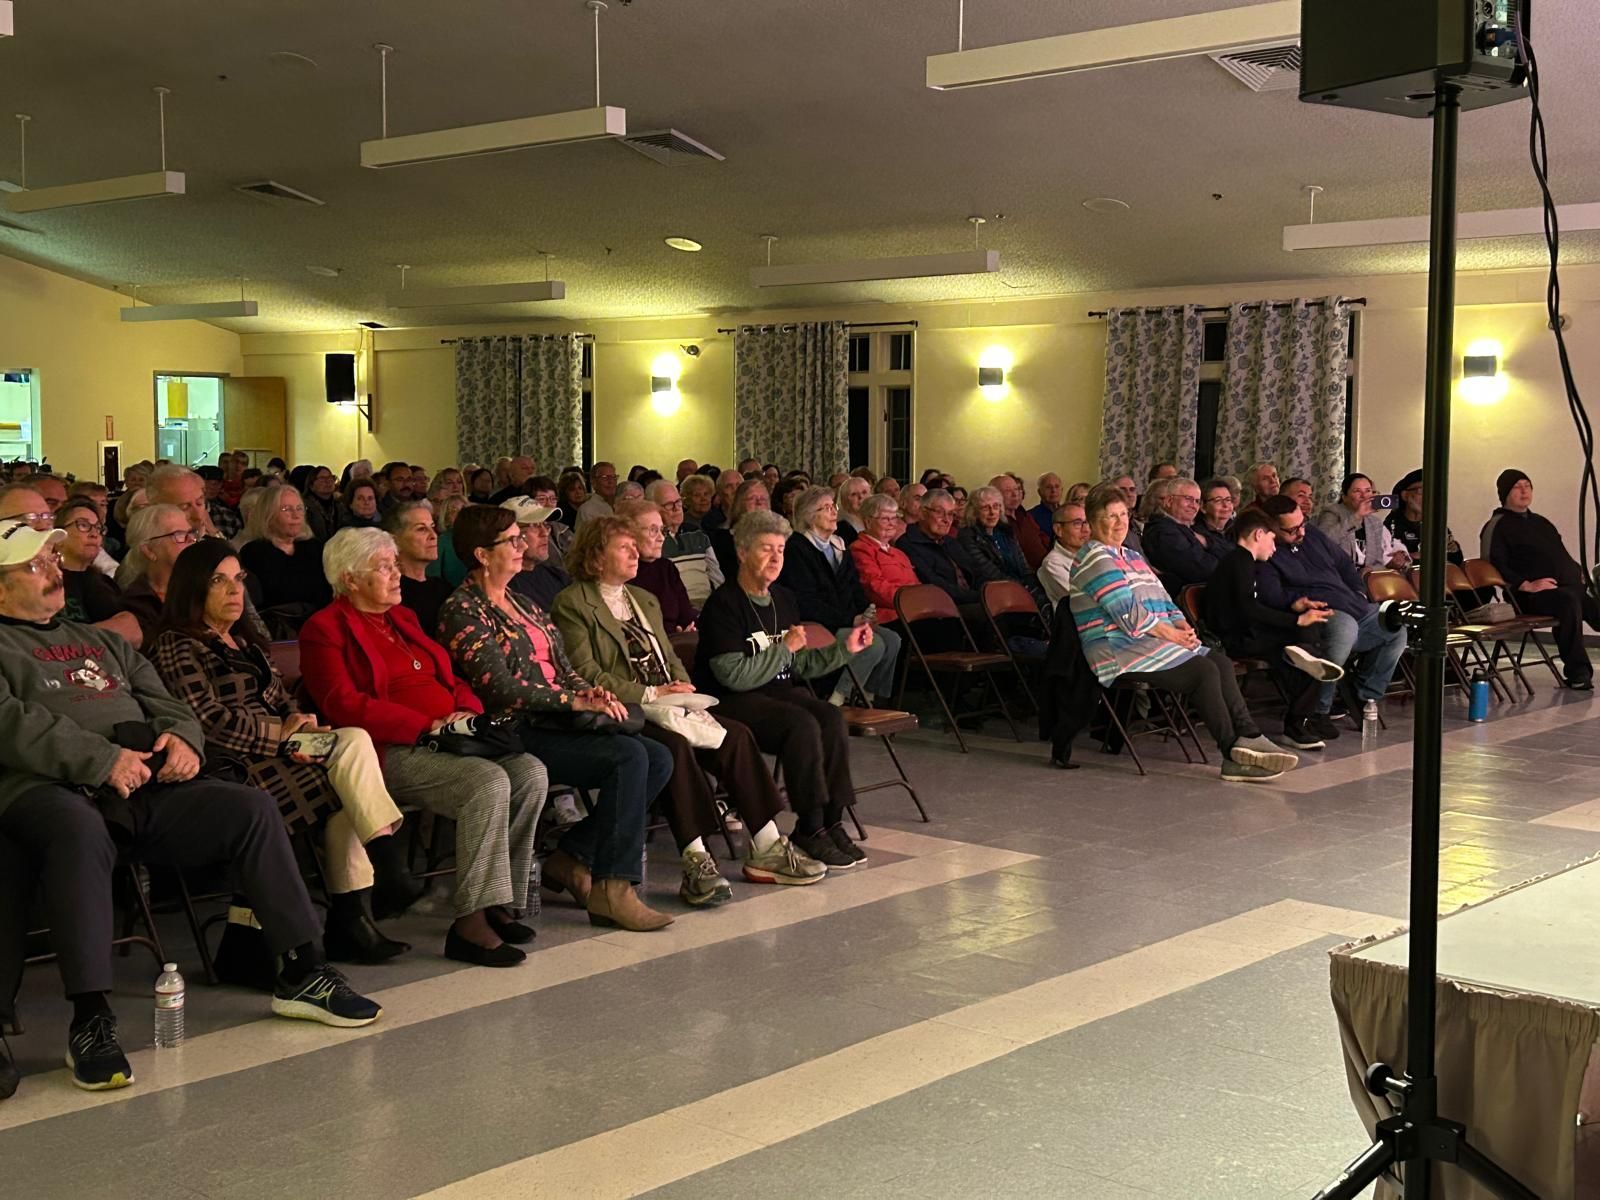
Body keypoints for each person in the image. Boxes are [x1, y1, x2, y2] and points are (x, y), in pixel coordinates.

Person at [0, 523, 380, 1094]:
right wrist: (101, 759)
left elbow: (170, 704)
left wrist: (183, 741)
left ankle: (302, 971)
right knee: (79, 831)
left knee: (249, 809)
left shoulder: (101, 642)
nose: (54, 569)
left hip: (146, 783)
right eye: (35, 565)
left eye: (53, 558)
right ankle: (91, 1019)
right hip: (50, 789)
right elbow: (12, 725)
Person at [150, 539, 413, 963]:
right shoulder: (177, 643)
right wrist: (283, 735)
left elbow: (283, 700)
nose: (235, 590)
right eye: (219, 581)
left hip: (282, 749)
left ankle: (357, 911)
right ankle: (371, 888)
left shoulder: (245, 641)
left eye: (239, 579)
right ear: (193, 587)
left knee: (353, 752)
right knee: (349, 773)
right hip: (232, 763)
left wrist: (300, 721)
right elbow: (206, 721)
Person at [299, 528, 550, 967]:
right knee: (486, 782)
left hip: (451, 738)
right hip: (390, 751)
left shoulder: (403, 618)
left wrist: (466, 712)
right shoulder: (324, 628)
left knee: (530, 772)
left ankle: (498, 902)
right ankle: (470, 924)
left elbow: (450, 679)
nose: (397, 573)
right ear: (350, 578)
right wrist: (426, 725)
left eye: (395, 564)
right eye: (384, 566)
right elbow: (342, 703)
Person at [551, 517, 827, 897]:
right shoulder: (572, 603)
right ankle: (696, 857)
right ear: (597, 557)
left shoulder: (643, 599)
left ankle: (767, 845)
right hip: (623, 708)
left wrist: (682, 687)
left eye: (635, 546)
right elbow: (587, 674)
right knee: (674, 747)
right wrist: (652, 694)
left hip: (667, 701)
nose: (635, 553)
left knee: (735, 736)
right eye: (624, 547)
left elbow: (669, 657)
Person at [438, 506, 675, 931]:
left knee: (658, 757)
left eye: (520, 537)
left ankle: (572, 856)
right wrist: (572, 701)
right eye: (512, 540)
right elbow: (499, 688)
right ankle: (614, 888)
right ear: (482, 554)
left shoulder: (524, 603)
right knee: (629, 757)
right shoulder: (463, 610)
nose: (522, 545)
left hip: (559, 719)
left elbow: (564, 668)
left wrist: (590, 692)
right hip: (516, 727)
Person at [1067, 485, 1299, 783]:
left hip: (1151, 641)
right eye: (1110, 516)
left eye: (1123, 514)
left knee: (1220, 662)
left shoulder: (1132, 556)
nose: (1120, 522)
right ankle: (1232, 754)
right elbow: (1130, 616)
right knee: (1203, 671)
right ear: (1092, 521)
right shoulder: (1096, 558)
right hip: (1117, 648)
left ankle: (1249, 735)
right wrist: (1172, 636)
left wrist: (1182, 626)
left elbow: (1163, 600)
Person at [694, 510, 876, 869]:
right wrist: (784, 649)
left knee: (829, 717)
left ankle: (832, 821)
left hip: (776, 694)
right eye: (766, 549)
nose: (776, 558)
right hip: (731, 700)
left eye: (780, 549)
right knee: (801, 724)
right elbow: (733, 676)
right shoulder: (724, 604)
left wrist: (845, 649)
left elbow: (798, 664)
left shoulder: (784, 598)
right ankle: (809, 826)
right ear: (742, 552)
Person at [1201, 509, 1345, 750]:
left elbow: (1252, 605)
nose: (1275, 548)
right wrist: (1295, 621)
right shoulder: (1239, 561)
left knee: (1309, 644)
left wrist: (1294, 608)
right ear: (1259, 534)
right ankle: (1297, 720)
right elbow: (1247, 608)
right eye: (1272, 539)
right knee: (1308, 646)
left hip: (1248, 633)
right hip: (1237, 639)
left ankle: (1304, 657)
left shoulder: (1242, 561)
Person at [1258, 495, 1409, 724]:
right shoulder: (1266, 550)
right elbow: (1270, 594)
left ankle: (1364, 697)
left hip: (1351, 602)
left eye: (1302, 523)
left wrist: (1358, 590)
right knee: (1344, 629)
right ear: (1271, 528)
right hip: (1317, 612)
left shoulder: (1311, 534)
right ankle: (1318, 709)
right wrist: (1298, 601)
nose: (1301, 533)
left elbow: (1343, 563)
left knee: (1394, 625)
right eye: (1292, 530)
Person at [781, 486, 903, 704]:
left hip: (847, 620)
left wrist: (866, 612)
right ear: (809, 516)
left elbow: (854, 587)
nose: (833, 512)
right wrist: (850, 620)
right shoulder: (797, 548)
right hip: (819, 623)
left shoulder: (838, 545)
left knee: (893, 640)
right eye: (826, 508)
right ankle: (839, 698)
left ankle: (869, 696)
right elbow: (806, 601)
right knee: (873, 644)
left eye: (833, 506)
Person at [1482, 469, 1600, 689]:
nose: (1524, 491)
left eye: (1527, 485)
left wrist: (1577, 572)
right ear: (1505, 493)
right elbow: (1492, 564)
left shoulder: (1541, 523)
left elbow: (1559, 554)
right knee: (1567, 603)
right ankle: (1578, 672)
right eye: (1517, 487)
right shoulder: (1498, 525)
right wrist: (1526, 585)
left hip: (1565, 589)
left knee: (1592, 603)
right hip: (1529, 597)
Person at [238, 483, 333, 633]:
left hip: (320, 626)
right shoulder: (253, 552)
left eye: (299, 508)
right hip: (278, 630)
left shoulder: (315, 548)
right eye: (286, 509)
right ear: (268, 514)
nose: (296, 515)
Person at [51, 499, 140, 642]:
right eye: (83, 525)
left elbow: (132, 633)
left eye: (98, 528)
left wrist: (71, 638)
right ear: (58, 537)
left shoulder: (101, 581)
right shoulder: (43, 581)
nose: (94, 534)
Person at [115, 504, 202, 641]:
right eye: (179, 535)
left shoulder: (204, 584)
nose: (191, 540)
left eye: (190, 532)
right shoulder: (136, 605)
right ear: (149, 550)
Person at [616, 499, 696, 633]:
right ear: (629, 534)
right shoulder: (620, 573)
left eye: (662, 530)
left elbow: (687, 616)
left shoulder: (667, 568)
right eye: (653, 530)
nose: (661, 538)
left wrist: (687, 631)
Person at [1142, 476, 1233, 594]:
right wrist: (1232, 566)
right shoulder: (1163, 532)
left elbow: (1232, 552)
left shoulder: (1189, 529)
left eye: (1197, 501)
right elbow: (1202, 569)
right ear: (1169, 501)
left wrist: (1207, 543)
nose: (1193, 506)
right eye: (1188, 499)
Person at [958, 485, 1042, 600]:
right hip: (995, 592)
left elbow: (1024, 566)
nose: (992, 512)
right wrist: (1022, 588)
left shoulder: (1006, 531)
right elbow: (989, 572)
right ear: (974, 512)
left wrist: (1031, 585)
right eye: (985, 508)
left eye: (996, 506)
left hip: (1021, 587)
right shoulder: (967, 536)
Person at [1314, 473, 1410, 573]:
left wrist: (1370, 570)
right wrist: (1357, 516)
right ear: (1344, 497)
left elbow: (1378, 562)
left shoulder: (1375, 522)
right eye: (1357, 491)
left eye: (1368, 491)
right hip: (1338, 575)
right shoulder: (1332, 512)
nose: (1364, 496)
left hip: (1366, 577)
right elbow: (1323, 541)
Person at [851, 492, 921, 626]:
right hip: (891, 616)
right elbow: (874, 587)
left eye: (894, 518)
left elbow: (916, 583)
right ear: (868, 522)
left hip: (914, 611)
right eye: (885, 519)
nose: (892, 524)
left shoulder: (899, 553)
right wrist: (909, 601)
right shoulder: (860, 549)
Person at [388, 500, 451, 637]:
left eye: (432, 527)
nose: (434, 536)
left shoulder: (444, 589)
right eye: (421, 529)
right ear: (395, 541)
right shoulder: (390, 593)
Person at [502, 497, 572, 612]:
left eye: (545, 524)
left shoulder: (556, 575)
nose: (545, 533)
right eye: (534, 525)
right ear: (512, 534)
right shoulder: (506, 589)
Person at [708, 478, 772, 580]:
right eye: (752, 498)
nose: (759, 502)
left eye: (763, 499)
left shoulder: (780, 537)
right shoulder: (723, 539)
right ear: (739, 504)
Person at [990, 474, 1050, 571]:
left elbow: (1041, 537)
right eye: (1008, 491)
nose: (1015, 494)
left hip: (1047, 568)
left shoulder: (1024, 515)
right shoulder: (994, 523)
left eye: (1017, 489)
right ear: (995, 496)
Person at [1037, 501, 1091, 607]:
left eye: (1087, 522)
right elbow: (1081, 601)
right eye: (1077, 523)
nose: (1085, 530)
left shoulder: (1092, 553)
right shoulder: (1053, 563)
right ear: (1058, 530)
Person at [197, 465, 244, 540]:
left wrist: (213, 531)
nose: (212, 488)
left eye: (217, 484)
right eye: (207, 483)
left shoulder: (227, 515)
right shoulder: (182, 515)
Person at [302, 465, 341, 542]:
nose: (328, 481)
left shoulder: (339, 504)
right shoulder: (305, 506)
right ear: (311, 485)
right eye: (322, 479)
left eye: (330, 477)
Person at [836, 475, 871, 543]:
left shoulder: (877, 518)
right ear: (844, 500)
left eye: (864, 492)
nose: (861, 497)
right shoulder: (842, 527)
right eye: (854, 494)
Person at [1029, 474, 1064, 540]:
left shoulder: (1068, 513)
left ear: (1062, 490)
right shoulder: (1030, 517)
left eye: (1057, 486)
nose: (1053, 491)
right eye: (1048, 487)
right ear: (1039, 492)